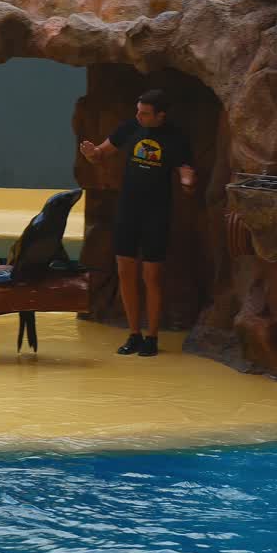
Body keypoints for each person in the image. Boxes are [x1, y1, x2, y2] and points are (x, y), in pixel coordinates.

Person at [79, 89, 195, 357]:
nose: (138, 116)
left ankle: (152, 336)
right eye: (138, 111)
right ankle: (133, 334)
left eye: (144, 113)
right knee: (125, 271)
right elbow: (101, 154)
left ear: (160, 116)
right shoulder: (130, 127)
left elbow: (185, 167)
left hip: (157, 211)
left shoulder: (175, 137)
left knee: (151, 275)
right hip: (128, 209)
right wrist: (90, 153)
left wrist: (188, 181)